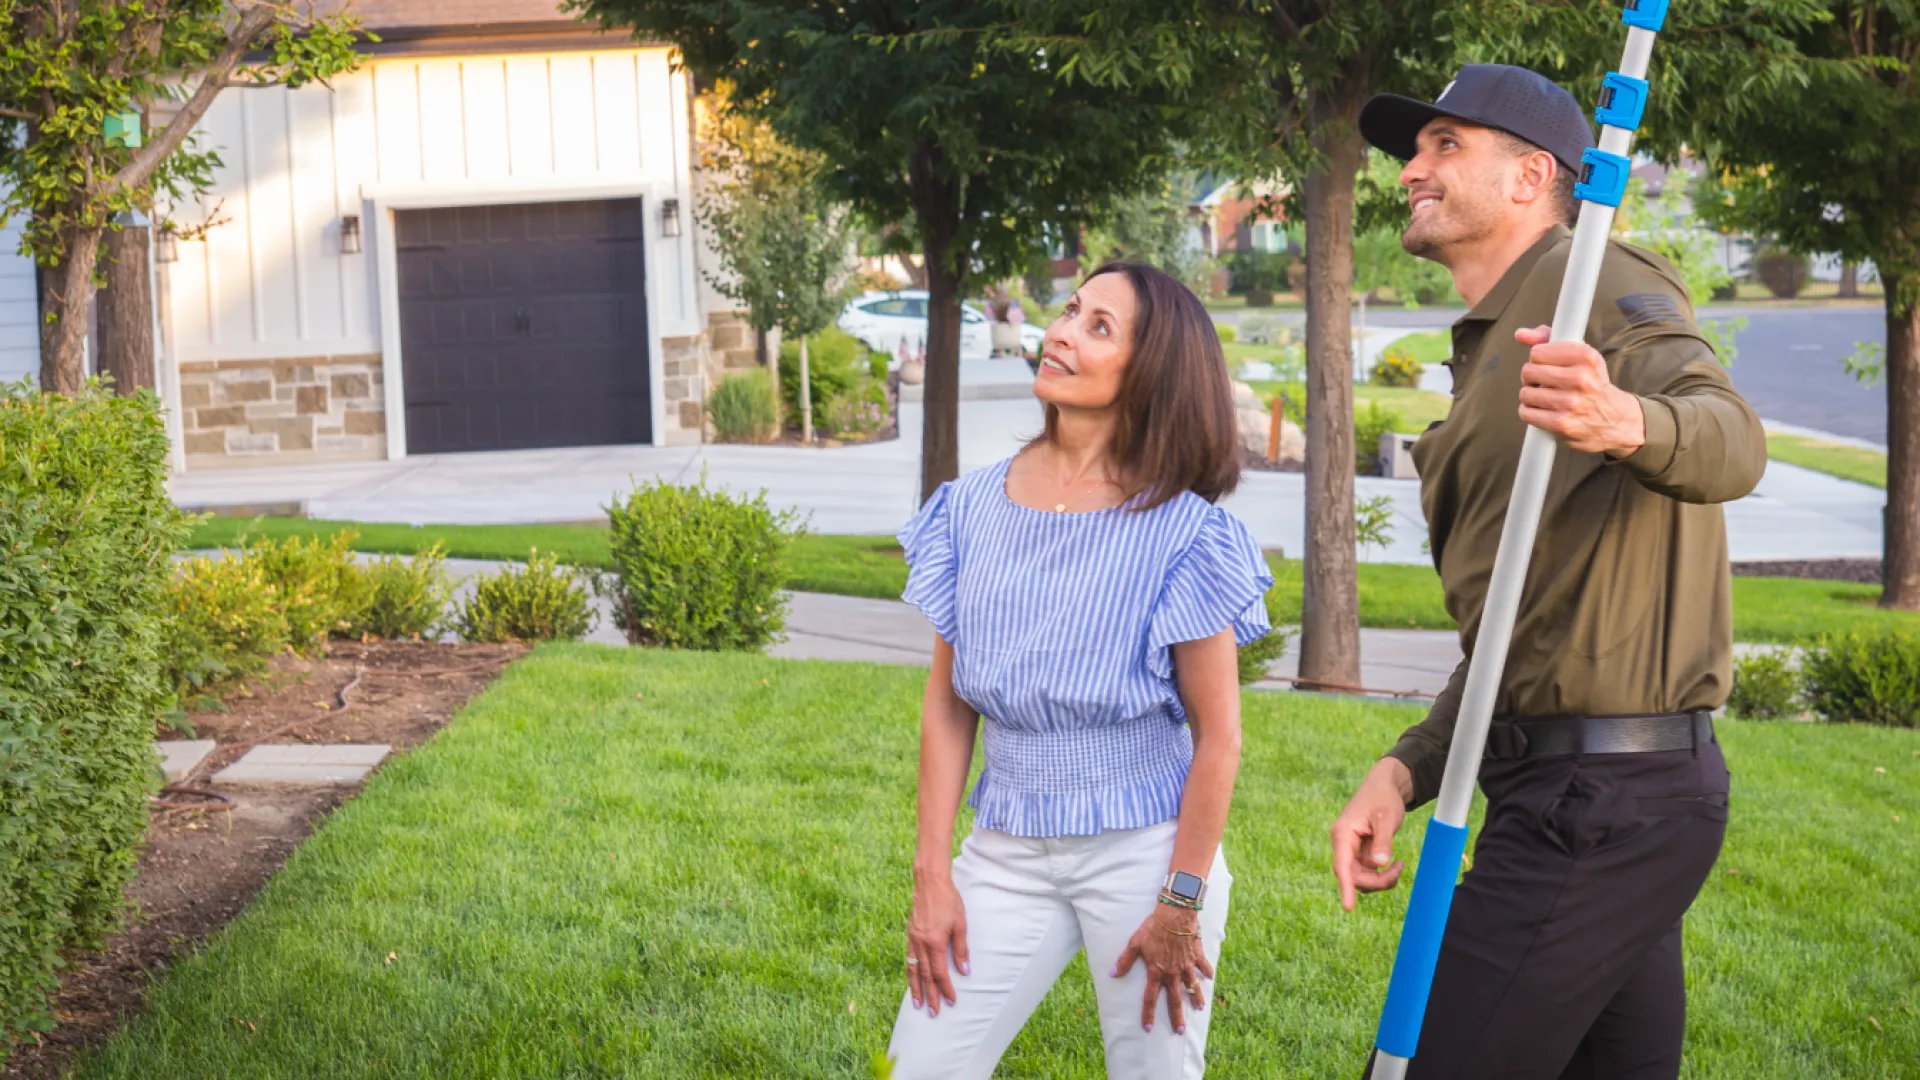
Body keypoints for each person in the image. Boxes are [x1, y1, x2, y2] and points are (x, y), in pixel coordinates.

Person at [1332, 65, 1767, 1078]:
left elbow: (1732, 440)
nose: (1410, 171)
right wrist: (1406, 770)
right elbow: (1519, 635)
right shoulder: (1490, 340)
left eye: (1446, 146)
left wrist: (1627, 420)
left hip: (1606, 803)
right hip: (1581, 789)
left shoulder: (1598, 283)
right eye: (1414, 149)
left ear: (1533, 177)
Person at [885, 262, 1274, 1079]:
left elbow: (1220, 739)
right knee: (918, 1067)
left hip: (1145, 854)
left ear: (1152, 372)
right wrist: (931, 874)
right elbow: (950, 707)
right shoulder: (969, 510)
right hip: (1004, 849)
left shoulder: (1185, 533)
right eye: (1069, 311)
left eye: (1099, 326)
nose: (1059, 331)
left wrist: (1180, 900)